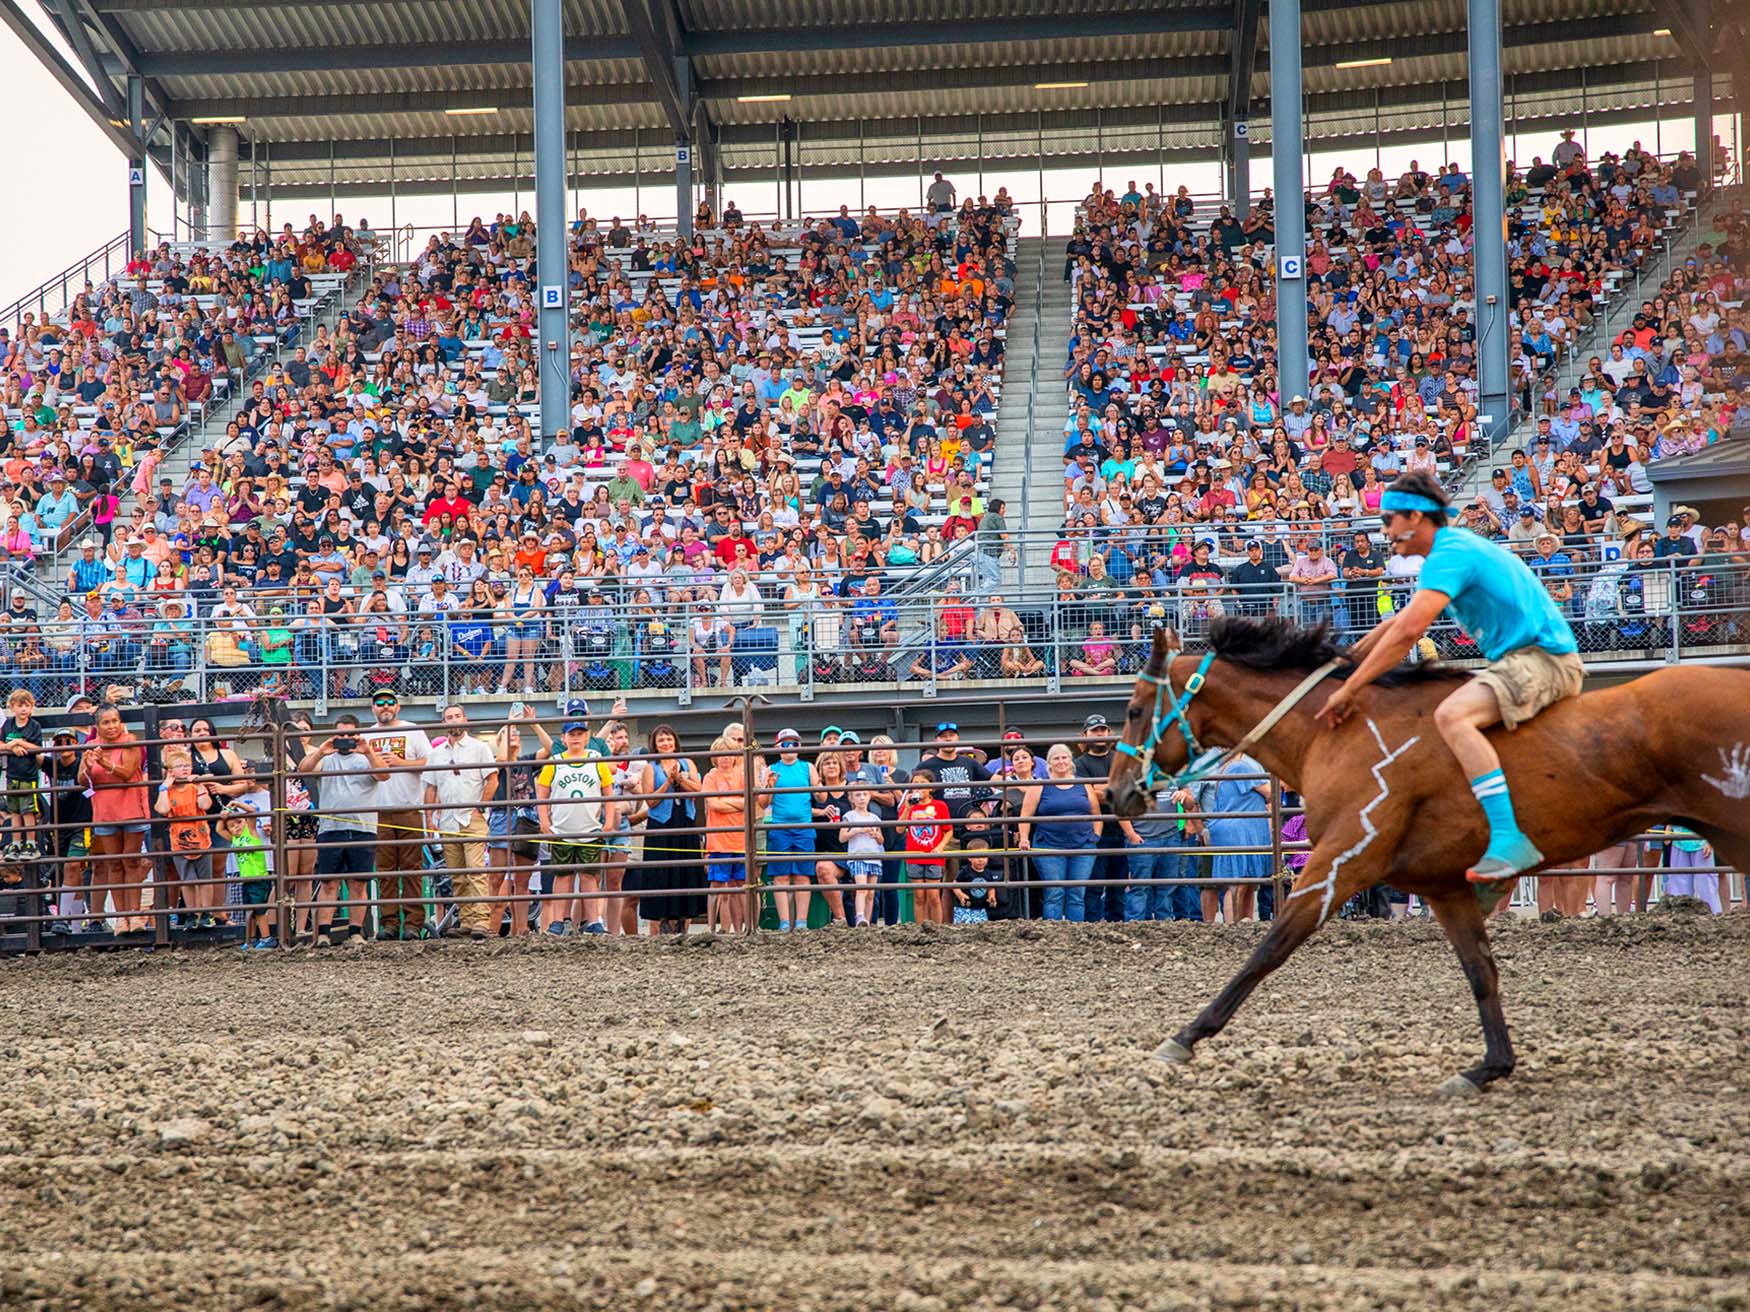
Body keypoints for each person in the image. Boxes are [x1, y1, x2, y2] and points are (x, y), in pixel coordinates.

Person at [1318, 472, 1583, 881]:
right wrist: (1346, 661)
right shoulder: (1448, 552)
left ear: (1415, 517)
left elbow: (1409, 632)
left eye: (1389, 520)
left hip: (1542, 660)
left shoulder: (1450, 554)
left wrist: (1351, 688)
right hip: (1521, 660)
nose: (1385, 531)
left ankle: (1509, 837)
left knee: (1452, 715)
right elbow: (1397, 622)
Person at [299, 714, 391, 947]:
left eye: (350, 734)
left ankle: (356, 932)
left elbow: (384, 775)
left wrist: (367, 751)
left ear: (358, 735)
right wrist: (321, 751)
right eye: (341, 734)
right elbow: (303, 770)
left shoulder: (367, 757)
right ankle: (323, 934)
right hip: (331, 828)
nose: (346, 738)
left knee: (358, 884)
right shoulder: (325, 758)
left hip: (363, 828)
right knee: (329, 883)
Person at [423, 704, 499, 940]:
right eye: (449, 717)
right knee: (457, 873)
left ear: (465, 720)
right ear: (444, 722)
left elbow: (492, 780)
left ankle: (481, 919)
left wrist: (481, 806)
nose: (454, 720)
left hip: (470, 817)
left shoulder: (479, 748)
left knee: (475, 870)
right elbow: (431, 787)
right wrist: (429, 817)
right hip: (448, 819)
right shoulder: (436, 754)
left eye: (457, 716)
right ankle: (467, 919)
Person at [361, 691, 432, 939]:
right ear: (373, 708)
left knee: (412, 868)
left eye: (390, 702)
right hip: (378, 810)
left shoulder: (413, 731)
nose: (385, 706)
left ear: (398, 707)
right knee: (385, 870)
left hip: (409, 807)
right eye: (380, 703)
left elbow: (430, 762)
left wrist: (400, 763)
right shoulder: (366, 735)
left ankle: (413, 923)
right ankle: (389, 923)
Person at [535, 717, 616, 935]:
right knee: (563, 875)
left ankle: (593, 920)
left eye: (580, 734)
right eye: (572, 734)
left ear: (587, 737)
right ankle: (557, 920)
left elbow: (608, 793)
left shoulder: (596, 761)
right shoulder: (554, 762)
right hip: (562, 829)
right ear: (564, 738)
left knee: (589, 876)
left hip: (590, 828)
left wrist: (609, 821)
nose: (576, 738)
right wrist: (544, 822)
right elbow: (542, 793)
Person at [79, 705, 150, 934]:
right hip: (104, 811)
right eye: (106, 722)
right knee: (114, 863)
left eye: (115, 721)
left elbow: (128, 772)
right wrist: (88, 766)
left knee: (132, 861)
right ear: (98, 726)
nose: (111, 726)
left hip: (131, 808)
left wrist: (103, 762)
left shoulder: (130, 741)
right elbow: (81, 780)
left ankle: (135, 914)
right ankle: (121, 917)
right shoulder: (90, 746)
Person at [1016, 744, 1101, 922]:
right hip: (1049, 846)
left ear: (1071, 761)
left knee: (1077, 893)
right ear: (1049, 763)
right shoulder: (1039, 786)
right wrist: (1024, 838)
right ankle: (1053, 932)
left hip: (1083, 845)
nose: (1061, 761)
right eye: (1056, 758)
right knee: (1054, 892)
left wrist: (1096, 836)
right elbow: (1025, 815)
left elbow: (1096, 813)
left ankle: (1076, 931)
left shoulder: (1084, 784)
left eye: (1064, 757)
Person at [633, 724, 706, 934]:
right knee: (660, 873)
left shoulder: (687, 763)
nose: (666, 743)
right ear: (655, 745)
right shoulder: (651, 768)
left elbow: (699, 789)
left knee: (686, 871)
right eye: (661, 740)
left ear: (675, 742)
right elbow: (651, 801)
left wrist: (680, 779)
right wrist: (668, 782)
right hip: (661, 825)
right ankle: (661, 920)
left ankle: (684, 921)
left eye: (669, 739)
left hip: (685, 820)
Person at [1197, 754, 1272, 922]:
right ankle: (1233, 925)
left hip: (1240, 829)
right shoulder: (1240, 767)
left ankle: (1244, 924)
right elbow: (1270, 793)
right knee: (1238, 882)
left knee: (1247, 882)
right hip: (1240, 831)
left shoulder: (1227, 767)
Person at [763, 727, 819, 931]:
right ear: (778, 747)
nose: (790, 747)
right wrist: (769, 786)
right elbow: (762, 803)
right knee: (781, 876)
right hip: (780, 827)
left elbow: (820, 796)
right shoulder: (771, 769)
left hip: (804, 827)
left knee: (803, 876)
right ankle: (784, 922)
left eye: (794, 743)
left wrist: (819, 785)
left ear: (799, 746)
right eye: (785, 743)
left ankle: (802, 922)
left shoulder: (808, 767)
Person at [153, 745, 213, 930]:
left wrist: (200, 785)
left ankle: (206, 913)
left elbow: (205, 804)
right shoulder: (168, 790)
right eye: (180, 766)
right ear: (171, 771)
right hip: (179, 840)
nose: (185, 769)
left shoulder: (194, 787)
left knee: (205, 878)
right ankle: (191, 913)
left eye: (187, 765)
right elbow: (163, 809)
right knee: (187, 879)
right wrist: (165, 787)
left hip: (200, 837)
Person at [1073, 713, 1125, 922]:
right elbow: (1087, 794)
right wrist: (1114, 788)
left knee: (1119, 885)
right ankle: (1092, 927)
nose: (1100, 734)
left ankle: (1117, 926)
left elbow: (1129, 788)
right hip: (1093, 833)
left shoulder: (1121, 758)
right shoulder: (1079, 764)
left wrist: (1100, 789)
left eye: (1103, 730)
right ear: (1085, 735)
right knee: (1094, 885)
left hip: (1123, 830)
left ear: (1109, 732)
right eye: (1095, 730)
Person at [700, 735, 750, 934]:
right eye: (721, 754)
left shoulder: (742, 776)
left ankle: (740, 930)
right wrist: (737, 803)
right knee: (718, 884)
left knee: (739, 885)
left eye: (729, 753)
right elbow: (713, 804)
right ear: (715, 757)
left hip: (740, 840)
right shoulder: (710, 777)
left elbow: (748, 801)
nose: (726, 757)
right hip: (719, 840)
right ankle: (711, 928)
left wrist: (725, 802)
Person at [218, 802, 275, 950]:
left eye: (239, 822)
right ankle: (251, 939)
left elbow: (252, 811)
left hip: (259, 877)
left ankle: (266, 938)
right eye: (232, 825)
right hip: (246, 879)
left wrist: (235, 804)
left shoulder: (251, 832)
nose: (237, 827)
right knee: (249, 911)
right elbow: (219, 829)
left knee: (259, 910)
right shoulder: (234, 839)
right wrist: (224, 814)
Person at [900, 767, 951, 923]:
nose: (918, 787)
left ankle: (937, 928)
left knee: (934, 896)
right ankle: (920, 928)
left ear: (930, 787)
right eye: (915, 783)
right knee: (919, 896)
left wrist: (940, 847)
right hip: (914, 855)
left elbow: (948, 830)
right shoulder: (908, 806)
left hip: (934, 856)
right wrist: (907, 808)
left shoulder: (940, 806)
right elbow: (899, 828)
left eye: (922, 783)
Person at [3, 688, 43, 861]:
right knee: (14, 812)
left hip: (28, 775)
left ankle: (31, 844)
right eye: (20, 706)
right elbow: (1, 744)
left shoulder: (34, 726)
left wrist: (20, 742)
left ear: (32, 707)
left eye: (27, 705)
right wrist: (11, 747)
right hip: (12, 774)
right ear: (12, 707)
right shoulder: (8, 725)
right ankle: (16, 843)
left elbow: (38, 748)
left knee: (28, 811)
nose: (24, 709)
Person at [840, 785, 884, 927]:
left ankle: (867, 921)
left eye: (865, 794)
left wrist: (876, 835)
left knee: (871, 893)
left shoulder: (875, 818)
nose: (862, 798)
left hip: (874, 857)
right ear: (852, 799)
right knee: (861, 888)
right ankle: (859, 916)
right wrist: (857, 830)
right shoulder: (849, 816)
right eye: (858, 795)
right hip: (858, 856)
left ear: (869, 797)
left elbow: (881, 840)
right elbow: (842, 837)